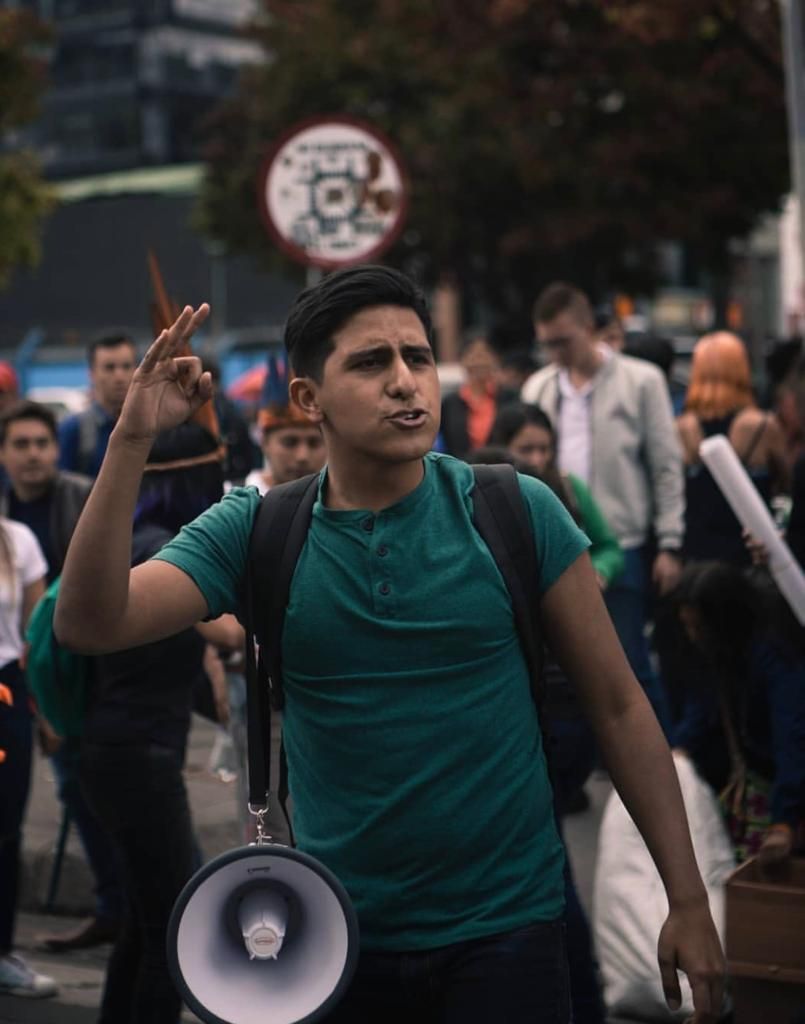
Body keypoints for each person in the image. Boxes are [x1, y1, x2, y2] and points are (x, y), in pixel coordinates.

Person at [55, 266, 725, 1023]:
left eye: (418, 357)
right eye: (372, 362)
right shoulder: (255, 529)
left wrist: (686, 899)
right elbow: (90, 622)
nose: (405, 382)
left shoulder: (515, 510)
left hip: (509, 932)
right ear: (308, 398)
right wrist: (132, 438)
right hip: (332, 939)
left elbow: (619, 706)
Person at [78, 421, 239, 1024]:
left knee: (145, 921)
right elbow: (228, 630)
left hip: (118, 750)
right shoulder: (161, 551)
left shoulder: (136, 538)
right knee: (175, 927)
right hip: (138, 758)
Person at [522, 282, 684, 733]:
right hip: (556, 545)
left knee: (630, 666)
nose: (555, 352)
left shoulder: (641, 381)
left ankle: (664, 759)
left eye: (563, 341)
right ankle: (593, 760)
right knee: (567, 669)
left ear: (589, 328)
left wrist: (670, 542)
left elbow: (666, 465)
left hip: (622, 539)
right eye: (546, 343)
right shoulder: (539, 387)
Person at [0, 400, 123, 952]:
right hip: (39, 676)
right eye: (20, 445)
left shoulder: (81, 498)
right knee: (73, 789)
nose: (33, 455)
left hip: (92, 669)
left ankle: (134, 908)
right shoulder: (7, 518)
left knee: (109, 792)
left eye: (42, 443)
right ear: (3, 455)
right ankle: (112, 907)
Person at [671, 562, 805, 865]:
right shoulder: (719, 648)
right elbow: (701, 703)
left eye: (698, 628)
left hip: (788, 777)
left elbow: (792, 738)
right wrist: (680, 749)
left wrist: (783, 821)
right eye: (687, 627)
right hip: (760, 771)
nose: (692, 636)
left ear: (723, 621)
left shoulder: (778, 655)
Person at [677, 331, 789, 566]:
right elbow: (789, 483)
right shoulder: (762, 425)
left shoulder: (681, 428)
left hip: (696, 556)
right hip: (753, 555)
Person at [0, 513, 54, 997]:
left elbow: (36, 635)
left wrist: (46, 709)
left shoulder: (18, 540)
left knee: (6, 827)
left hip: (7, 692)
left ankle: (2, 951)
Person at [488, 402, 624, 592]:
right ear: (501, 447)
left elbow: (608, 549)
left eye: (544, 449)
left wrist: (598, 571)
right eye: (526, 450)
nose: (537, 459)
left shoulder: (569, 487)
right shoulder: (484, 495)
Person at [245, 355, 326, 495]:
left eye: (314, 443)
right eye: (289, 443)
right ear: (264, 442)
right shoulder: (232, 501)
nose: (302, 456)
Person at [58, 332, 137, 477]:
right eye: (109, 368)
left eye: (126, 366)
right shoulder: (73, 431)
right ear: (91, 374)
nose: (119, 376)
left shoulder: (152, 426)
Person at [439, 333, 501, 458]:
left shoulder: (507, 398)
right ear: (462, 361)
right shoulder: (450, 403)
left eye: (484, 355)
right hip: (460, 467)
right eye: (473, 355)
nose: (479, 362)